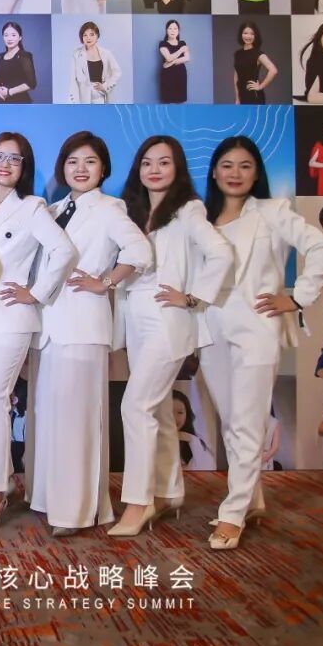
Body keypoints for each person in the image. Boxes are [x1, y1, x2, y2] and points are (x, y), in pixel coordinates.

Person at [200, 135, 323, 550]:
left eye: (245, 166)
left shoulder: (273, 212)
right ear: (214, 171)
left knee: (246, 422)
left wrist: (296, 297)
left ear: (256, 172)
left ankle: (232, 514)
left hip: (257, 328)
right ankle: (252, 499)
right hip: (210, 328)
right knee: (231, 420)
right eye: (227, 165)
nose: (235, 173)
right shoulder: (200, 217)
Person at [25, 131, 150, 537]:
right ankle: (52, 501)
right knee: (51, 420)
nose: (80, 168)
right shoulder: (53, 208)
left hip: (83, 326)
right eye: (73, 161)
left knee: (78, 422)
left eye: (90, 161)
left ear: (104, 168)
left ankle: (76, 513)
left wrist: (105, 282)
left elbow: (140, 252)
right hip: (48, 326)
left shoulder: (110, 208)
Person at [110, 135, 232, 538]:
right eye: (147, 162)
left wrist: (194, 297)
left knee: (135, 406)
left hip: (167, 319)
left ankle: (139, 502)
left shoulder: (188, 209)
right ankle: (168, 492)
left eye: (164, 162)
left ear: (177, 168)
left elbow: (221, 253)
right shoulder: (130, 211)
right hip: (135, 317)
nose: (155, 169)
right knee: (158, 409)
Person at [0, 132, 75, 534]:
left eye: (15, 158)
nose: (5, 164)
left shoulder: (31, 208)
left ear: (24, 167)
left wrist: (36, 292)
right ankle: (4, 478)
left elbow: (63, 251)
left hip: (12, 316)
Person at [68, 21, 121, 104]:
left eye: (92, 34)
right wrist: (74, 103)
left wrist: (105, 86)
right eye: (85, 35)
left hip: (101, 98)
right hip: (83, 99)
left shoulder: (106, 53)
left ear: (97, 36)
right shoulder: (77, 54)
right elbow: (73, 80)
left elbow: (117, 72)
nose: (88, 38)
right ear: (82, 37)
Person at [232, 22, 277, 105]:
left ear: (255, 36)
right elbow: (236, 77)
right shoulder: (237, 54)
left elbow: (273, 71)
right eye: (245, 33)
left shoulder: (258, 54)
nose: (248, 36)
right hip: (242, 96)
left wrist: (260, 86)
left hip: (254, 96)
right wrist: (237, 98)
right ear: (241, 34)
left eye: (252, 34)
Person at [0, 22, 36, 104]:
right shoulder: (0, 56)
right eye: (6, 35)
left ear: (20, 37)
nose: (9, 39)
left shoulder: (24, 56)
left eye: (13, 35)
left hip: (20, 103)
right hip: (2, 102)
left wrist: (9, 92)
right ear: (3, 37)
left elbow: (32, 84)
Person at [173, 390, 212, 469]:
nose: (175, 418)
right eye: (169, 412)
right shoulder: (151, 439)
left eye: (180, 412)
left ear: (187, 414)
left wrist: (190, 438)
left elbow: (206, 467)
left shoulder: (195, 441)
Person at [158, 20, 189, 104]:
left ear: (178, 31)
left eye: (175, 28)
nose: (173, 31)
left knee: (180, 103)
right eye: (170, 28)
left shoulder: (182, 43)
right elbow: (168, 58)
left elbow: (187, 58)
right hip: (168, 76)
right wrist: (181, 50)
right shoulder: (162, 44)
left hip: (181, 75)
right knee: (168, 102)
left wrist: (171, 62)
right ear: (166, 30)